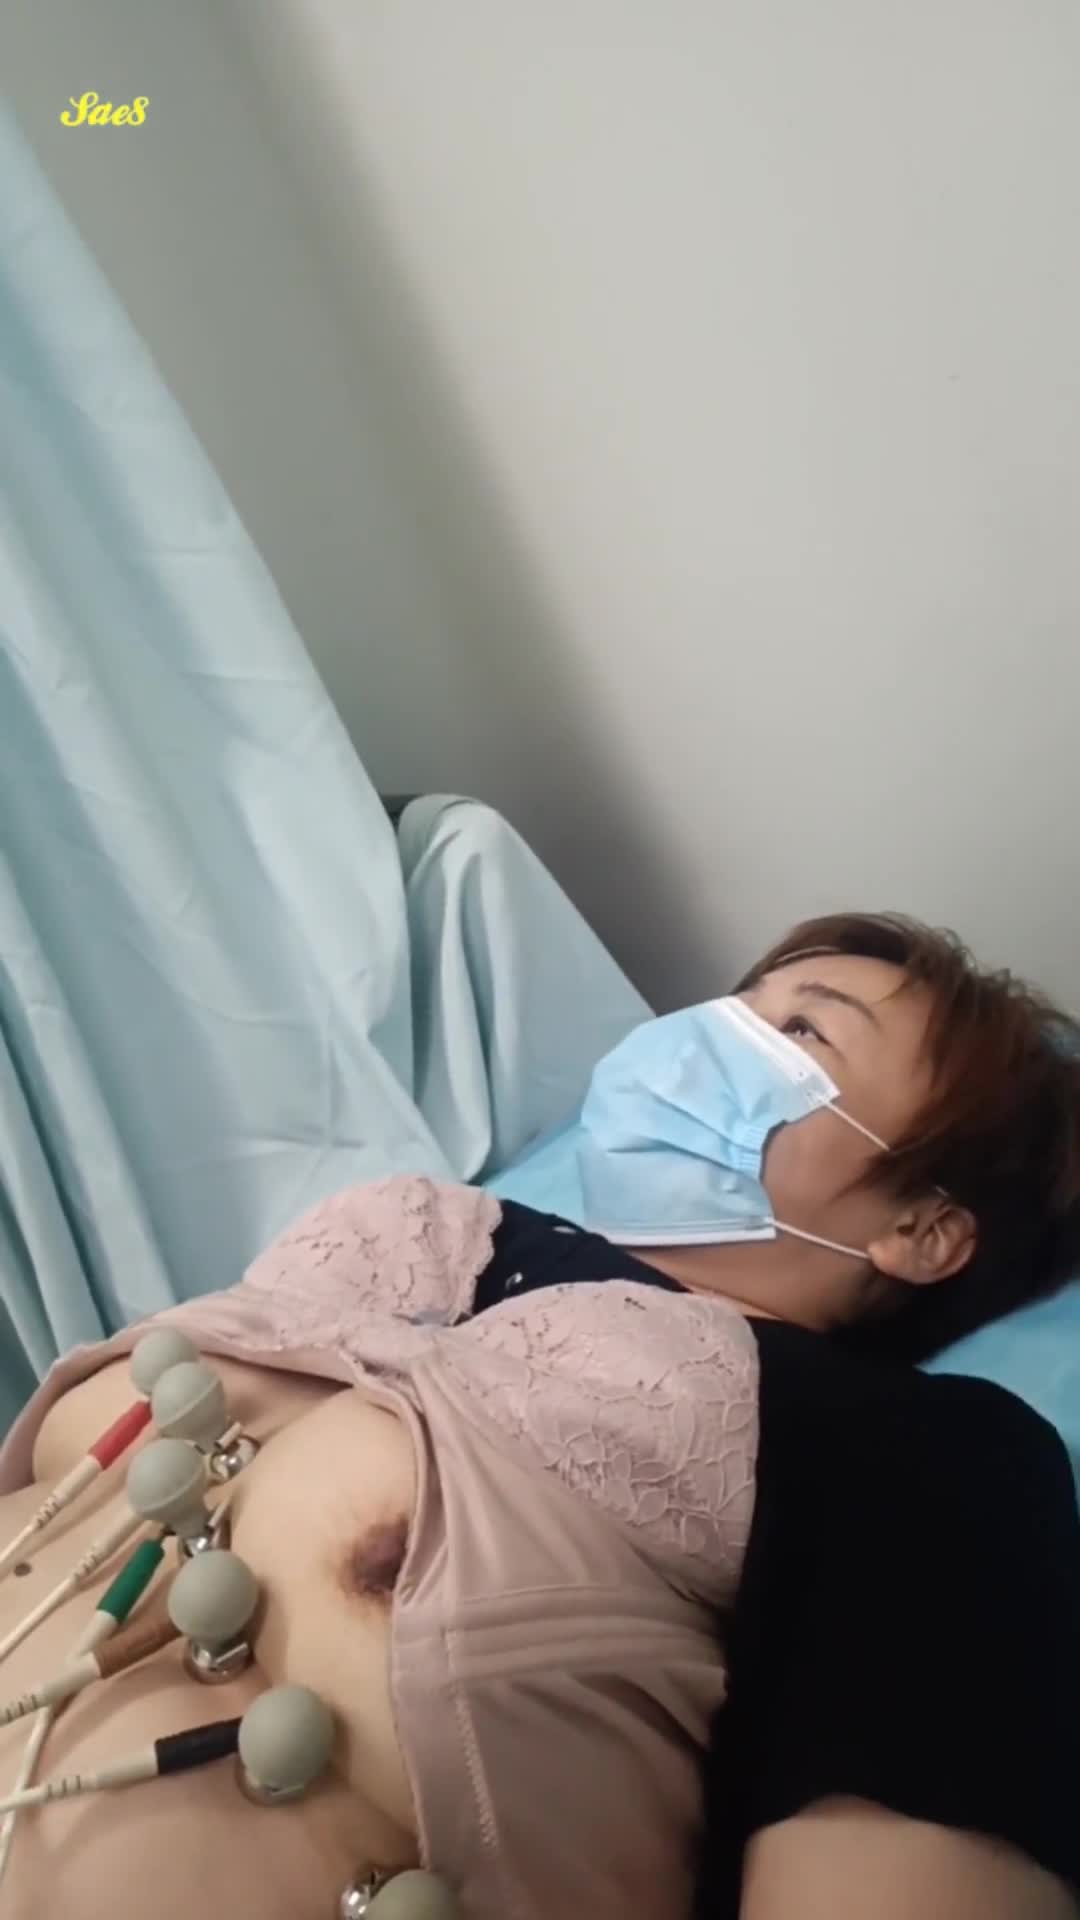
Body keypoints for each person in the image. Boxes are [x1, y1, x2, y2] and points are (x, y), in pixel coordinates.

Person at [1, 913, 1078, 1920]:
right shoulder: (412, 1231)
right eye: (735, 1005)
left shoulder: (927, 1451)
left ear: (923, 1231)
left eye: (803, 1030)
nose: (710, 1038)